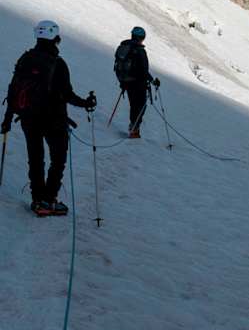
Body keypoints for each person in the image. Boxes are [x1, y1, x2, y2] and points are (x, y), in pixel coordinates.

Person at [1, 21, 96, 216]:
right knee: (58, 159)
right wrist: (86, 103)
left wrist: (7, 119)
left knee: (36, 159)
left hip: (28, 118)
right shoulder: (57, 63)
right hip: (54, 120)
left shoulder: (25, 58)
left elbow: (14, 89)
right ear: (56, 38)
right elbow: (67, 94)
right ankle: (49, 199)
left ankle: (38, 199)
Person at [114, 26, 158, 138]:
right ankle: (134, 129)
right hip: (138, 83)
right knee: (140, 106)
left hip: (126, 82)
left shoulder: (124, 47)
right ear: (142, 38)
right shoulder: (140, 51)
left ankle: (133, 128)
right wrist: (152, 81)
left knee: (134, 105)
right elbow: (143, 70)